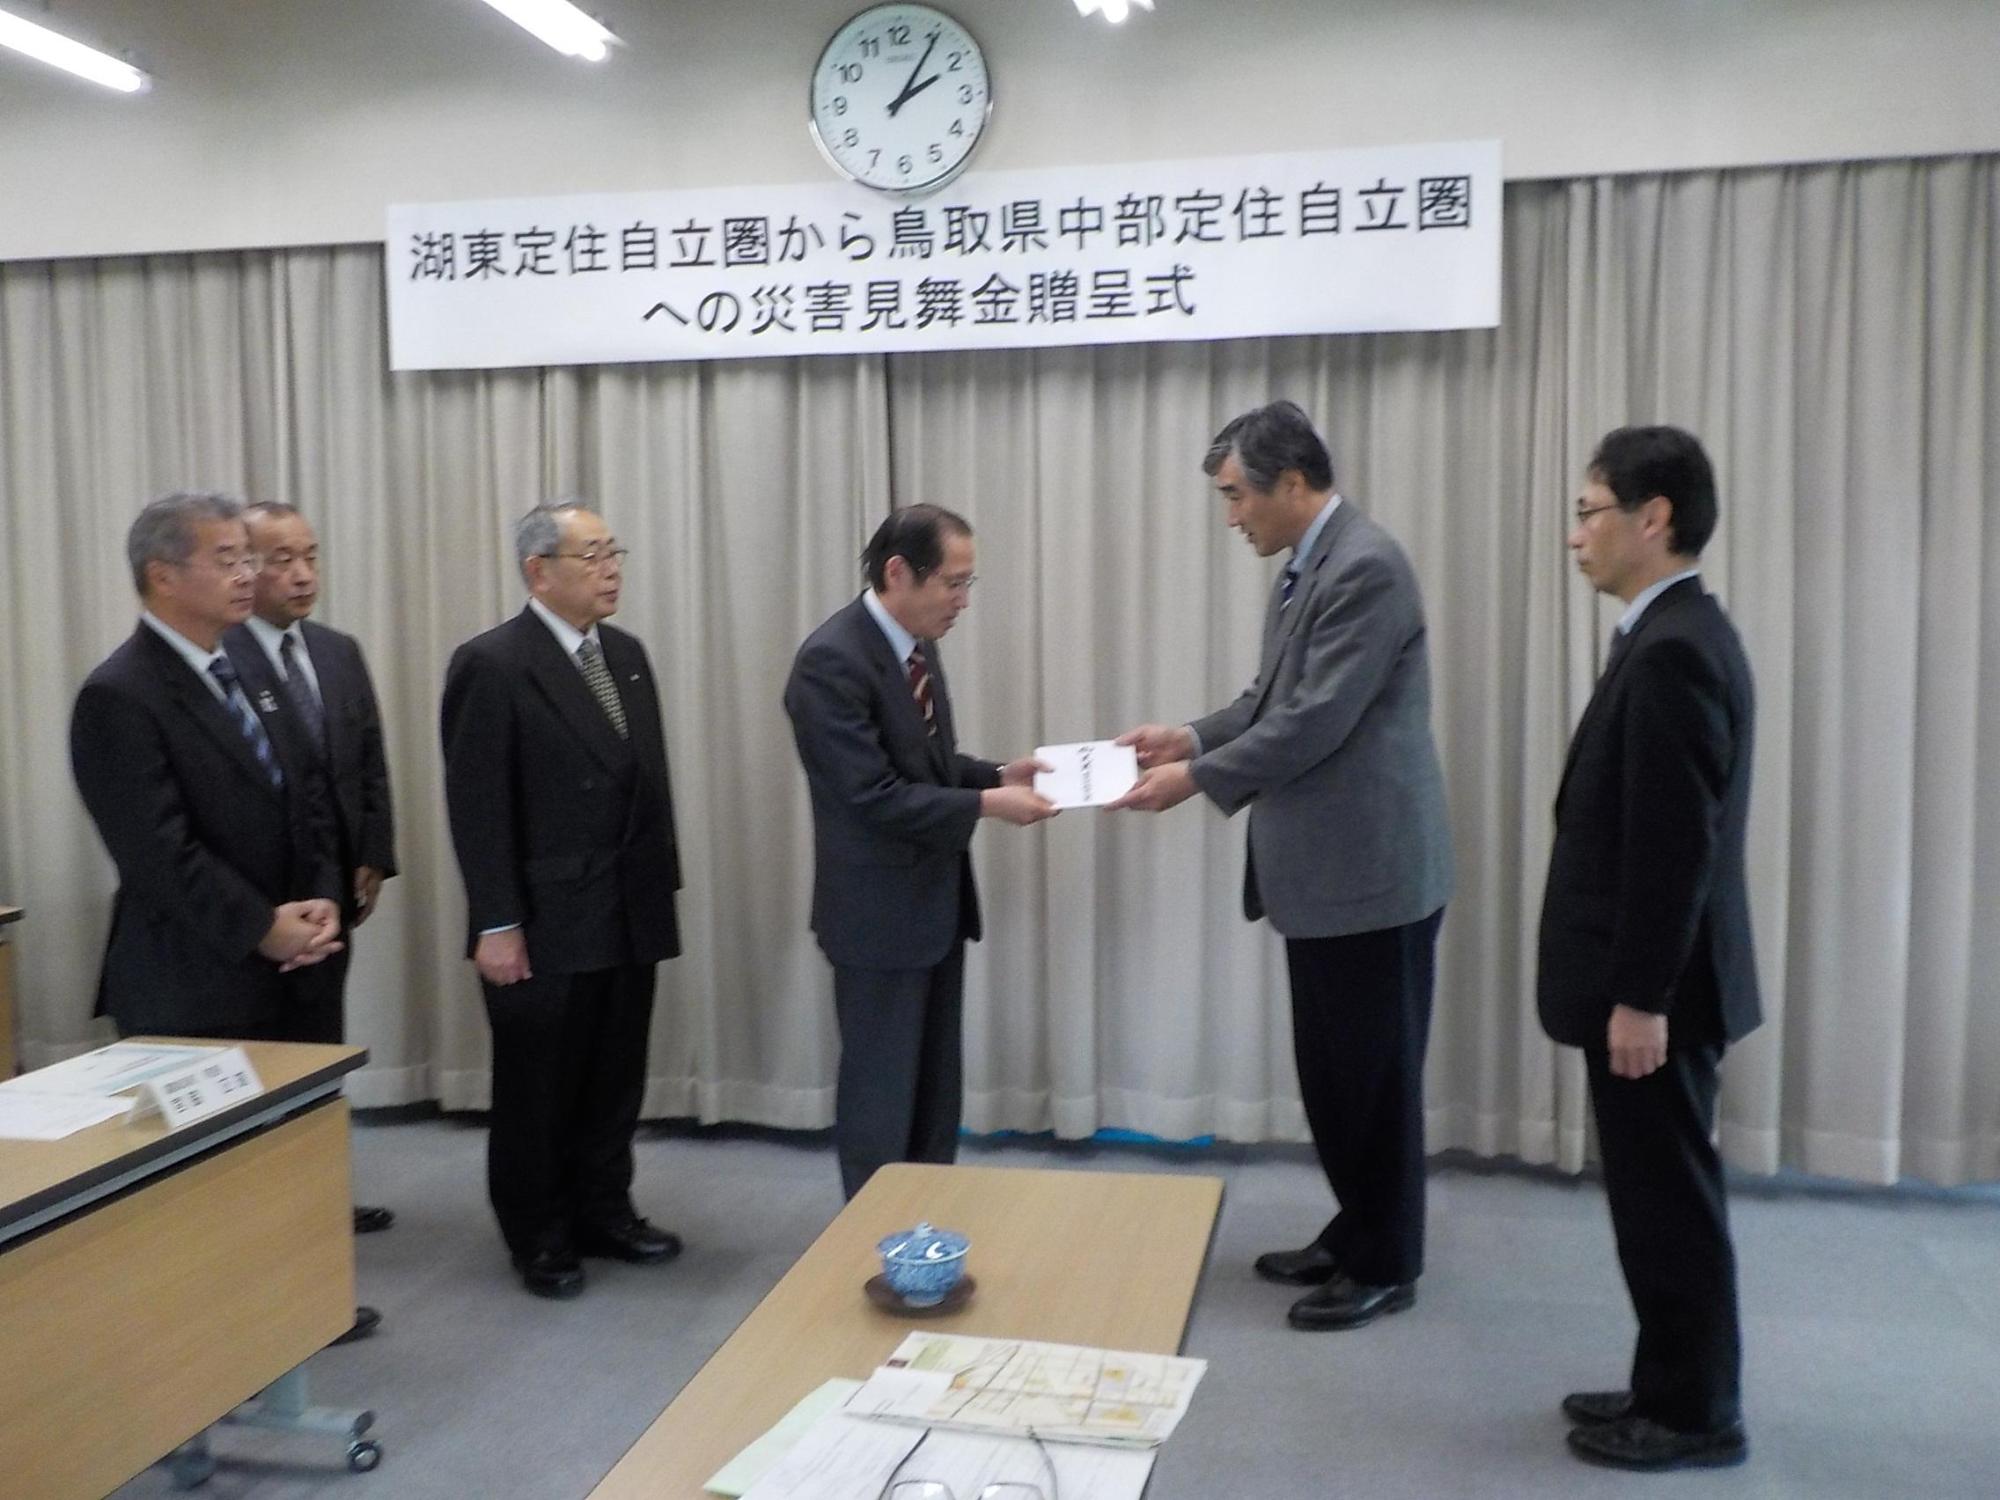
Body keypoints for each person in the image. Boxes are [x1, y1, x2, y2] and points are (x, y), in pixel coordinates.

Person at [1113, 401, 1452, 1331]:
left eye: (1236, 497)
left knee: (1374, 1079)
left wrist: (1195, 778)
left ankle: (1388, 1261)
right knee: (1336, 1074)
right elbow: (1269, 699)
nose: (1232, 519)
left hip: (1371, 876)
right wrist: (1185, 735)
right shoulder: (1311, 564)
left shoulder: (1368, 567)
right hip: (1326, 875)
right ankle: (1354, 1230)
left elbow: (1315, 722)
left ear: (1291, 485)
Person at [72, 493, 378, 1344]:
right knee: (206, 1177)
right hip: (194, 977)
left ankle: (302, 1303)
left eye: (253, 557)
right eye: (229, 559)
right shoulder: (120, 694)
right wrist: (262, 926)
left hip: (291, 959)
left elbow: (311, 795)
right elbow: (159, 855)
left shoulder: (247, 670)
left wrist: (317, 902)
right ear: (164, 576)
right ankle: (211, 1342)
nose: (252, 575)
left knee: (291, 1144)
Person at [1538, 425, 1759, 1471]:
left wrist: (1638, 997)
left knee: (1667, 1200)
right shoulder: (1661, 632)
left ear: (1650, 516)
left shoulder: (1675, 649)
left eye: (1586, 511)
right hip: (1653, 983)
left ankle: (1694, 1415)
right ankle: (1663, 1379)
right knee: (1651, 1197)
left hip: (1656, 994)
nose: (1574, 534)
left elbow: (1675, 848)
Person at [440, 501, 683, 1299]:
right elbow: (478, 807)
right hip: (544, 916)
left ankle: (604, 1209)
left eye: (616, 551)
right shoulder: (493, 663)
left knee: (615, 1076)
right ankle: (538, 1233)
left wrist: (660, 883)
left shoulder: (627, 654)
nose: (612, 568)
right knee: (539, 1085)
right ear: (538, 571)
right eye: (592, 555)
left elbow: (645, 784)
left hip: (626, 903)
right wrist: (497, 922)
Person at [783, 504, 1055, 1199]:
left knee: (935, 1093)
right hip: (876, 920)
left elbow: (924, 766)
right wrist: (990, 804)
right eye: (953, 584)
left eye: (970, 584)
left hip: (933, 908)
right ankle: (871, 1247)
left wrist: (997, 774)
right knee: (881, 1098)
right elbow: (873, 796)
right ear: (898, 573)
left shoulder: (914, 644)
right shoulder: (829, 662)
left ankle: (925, 1229)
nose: (963, 602)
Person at [225, 501, 399, 1240]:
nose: (302, 575)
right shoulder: (220, 658)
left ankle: (321, 1186)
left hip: (334, 887)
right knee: (264, 1057)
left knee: (321, 1048)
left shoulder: (335, 649)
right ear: (243, 567)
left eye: (311, 556)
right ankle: (278, 1210)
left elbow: (367, 763)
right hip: (259, 902)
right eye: (280, 560)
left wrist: (373, 856)